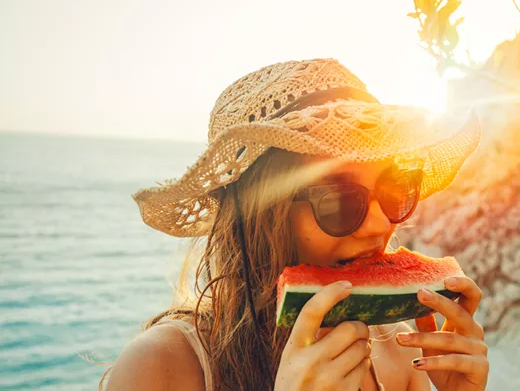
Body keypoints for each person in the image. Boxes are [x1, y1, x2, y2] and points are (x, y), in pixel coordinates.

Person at [102, 58, 488, 391]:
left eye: (395, 189)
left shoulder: (401, 349)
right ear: (261, 215)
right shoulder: (161, 367)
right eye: (337, 199)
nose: (377, 225)